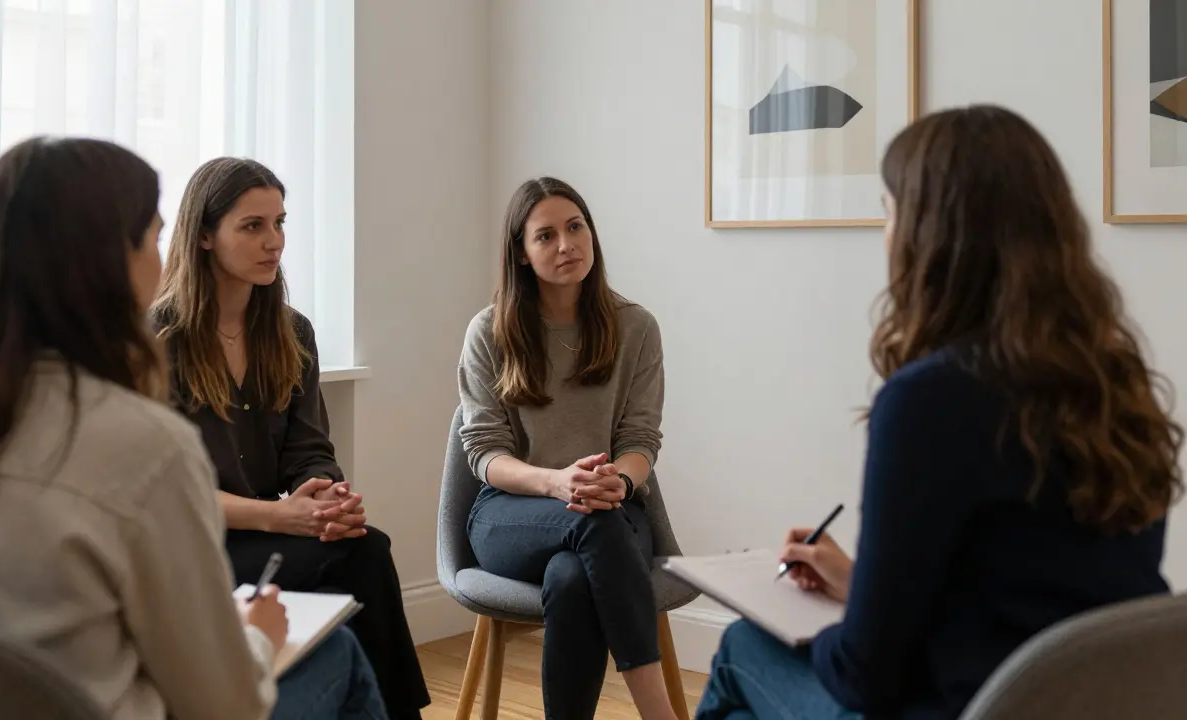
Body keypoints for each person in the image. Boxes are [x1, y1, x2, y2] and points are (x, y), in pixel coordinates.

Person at [695, 105, 1182, 720]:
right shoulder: (1113, 377)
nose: (886, 231)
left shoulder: (930, 399)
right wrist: (861, 585)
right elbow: (1037, 585)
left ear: (931, 234)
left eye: (889, 210)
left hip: (972, 705)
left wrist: (821, 635)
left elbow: (866, 677)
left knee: (742, 649)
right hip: (1095, 699)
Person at [0, 137, 388, 719]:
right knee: (334, 652)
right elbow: (225, 705)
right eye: (152, 238)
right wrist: (257, 634)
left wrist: (319, 497)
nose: (163, 260)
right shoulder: (141, 445)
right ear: (109, 262)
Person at [151, 156, 429, 719]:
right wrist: (280, 517)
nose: (273, 241)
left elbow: (308, 451)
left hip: (264, 536)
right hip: (193, 549)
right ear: (204, 235)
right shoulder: (160, 339)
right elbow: (165, 494)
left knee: (363, 544)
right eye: (252, 226)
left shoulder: (291, 331)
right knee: (359, 561)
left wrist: (325, 497)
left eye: (279, 223)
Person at [459, 177, 677, 720]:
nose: (566, 245)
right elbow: (485, 454)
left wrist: (619, 481)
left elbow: (640, 439)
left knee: (573, 576)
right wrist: (556, 482)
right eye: (546, 235)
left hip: (612, 507)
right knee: (590, 523)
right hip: (509, 514)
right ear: (523, 253)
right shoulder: (490, 331)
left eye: (575, 227)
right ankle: (660, 713)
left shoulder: (636, 328)